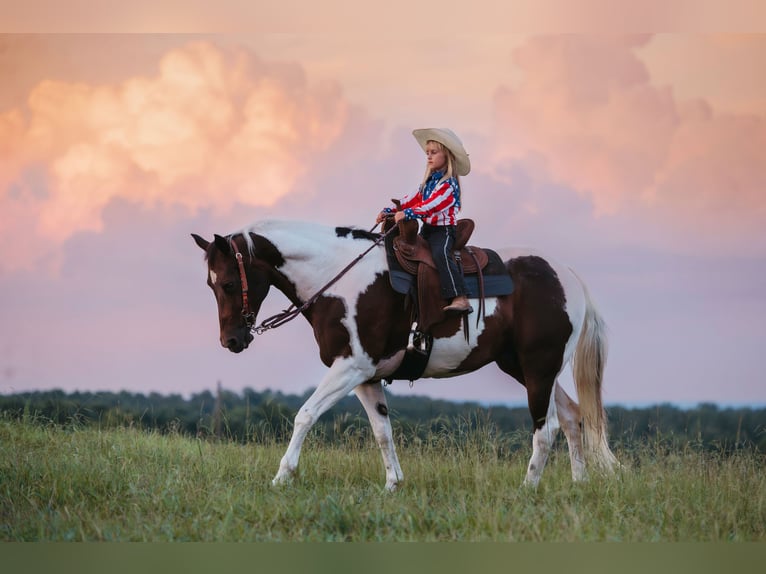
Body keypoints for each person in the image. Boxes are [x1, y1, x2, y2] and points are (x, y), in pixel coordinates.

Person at [377, 128, 473, 314]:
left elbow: (433, 205)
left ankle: (459, 296)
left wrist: (409, 214)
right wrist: (389, 210)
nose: (428, 156)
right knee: (411, 253)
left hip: (443, 231)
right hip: (428, 230)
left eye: (434, 152)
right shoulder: (428, 184)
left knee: (440, 254)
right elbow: (410, 199)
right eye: (427, 153)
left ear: (447, 155)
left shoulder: (449, 185)